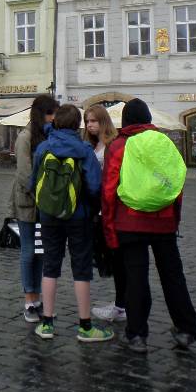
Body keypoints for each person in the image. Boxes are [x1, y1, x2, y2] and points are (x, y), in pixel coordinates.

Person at [101, 98, 196, 352]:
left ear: (125, 120)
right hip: (163, 222)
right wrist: (175, 219)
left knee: (136, 278)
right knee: (173, 275)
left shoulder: (118, 145)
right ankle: (186, 328)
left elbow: (109, 190)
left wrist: (109, 229)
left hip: (129, 221)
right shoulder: (164, 142)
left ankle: (137, 335)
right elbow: (176, 184)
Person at [29, 104, 113, 343]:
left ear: (56, 122)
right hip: (79, 216)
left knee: (50, 266)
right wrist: (91, 209)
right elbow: (95, 186)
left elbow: (33, 181)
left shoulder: (43, 147)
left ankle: (47, 323)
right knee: (82, 268)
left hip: (49, 216)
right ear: (78, 124)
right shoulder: (84, 149)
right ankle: (85, 326)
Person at [11, 94, 59, 323]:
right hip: (28, 202)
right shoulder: (25, 137)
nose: (54, 118)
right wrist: (41, 194)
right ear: (42, 114)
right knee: (29, 251)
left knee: (40, 251)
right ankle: (29, 300)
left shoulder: (47, 135)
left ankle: (38, 299)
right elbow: (24, 174)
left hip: (44, 202)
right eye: (51, 114)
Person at [84, 105, 126, 325]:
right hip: (97, 208)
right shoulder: (92, 144)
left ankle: (122, 305)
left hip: (111, 208)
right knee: (110, 257)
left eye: (93, 121)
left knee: (119, 259)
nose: (89, 125)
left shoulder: (112, 144)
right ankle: (121, 303)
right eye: (87, 121)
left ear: (103, 121)